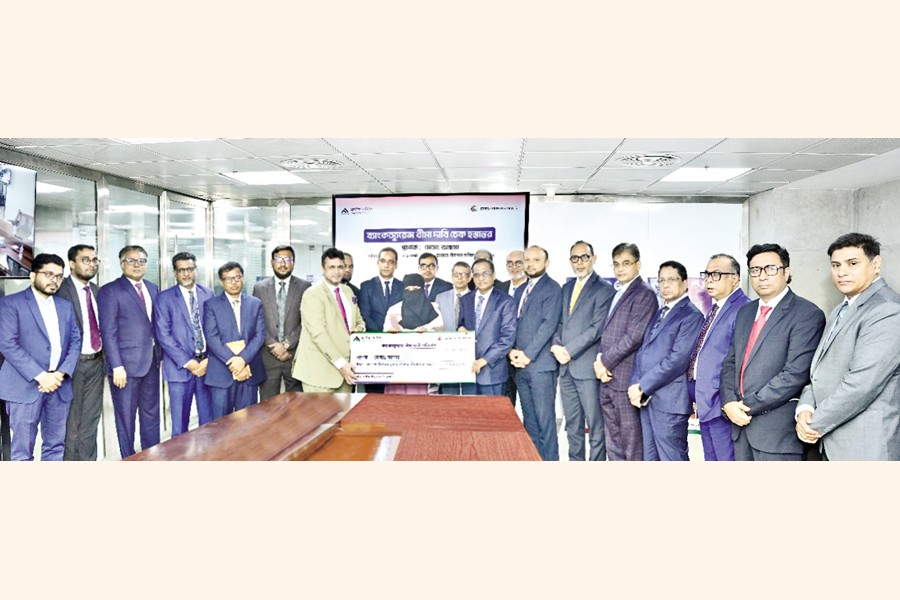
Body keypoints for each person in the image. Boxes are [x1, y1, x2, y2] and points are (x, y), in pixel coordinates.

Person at [795, 233, 900, 460]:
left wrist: (814, 422)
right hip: (832, 442)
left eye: (852, 263)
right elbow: (818, 372)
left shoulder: (888, 310)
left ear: (876, 264)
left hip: (865, 448)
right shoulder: (840, 309)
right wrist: (805, 409)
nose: (842, 272)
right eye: (836, 265)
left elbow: (862, 385)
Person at [720, 243, 825, 461]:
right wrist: (728, 402)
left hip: (777, 433)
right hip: (740, 429)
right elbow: (731, 362)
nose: (762, 276)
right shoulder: (745, 312)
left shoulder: (807, 314)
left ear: (786, 272)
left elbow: (795, 374)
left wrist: (745, 407)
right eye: (755, 270)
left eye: (771, 269)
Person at [0, 254, 81, 460]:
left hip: (58, 386)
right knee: (22, 451)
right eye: (49, 274)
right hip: (24, 387)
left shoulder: (65, 306)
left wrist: (60, 374)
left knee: (55, 446)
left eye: (59, 276)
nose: (54, 280)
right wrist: (41, 376)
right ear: (33, 275)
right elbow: (7, 344)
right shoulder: (11, 303)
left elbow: (75, 341)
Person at [627, 261, 704, 461]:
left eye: (671, 279)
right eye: (661, 280)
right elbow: (643, 351)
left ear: (685, 283)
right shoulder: (660, 312)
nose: (665, 285)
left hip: (670, 403)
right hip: (647, 400)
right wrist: (635, 385)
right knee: (650, 459)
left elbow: (677, 360)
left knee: (672, 460)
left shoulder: (691, 315)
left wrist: (643, 385)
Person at [593, 243, 658, 461]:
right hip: (607, 379)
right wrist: (599, 361)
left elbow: (634, 337)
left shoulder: (645, 294)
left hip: (625, 379)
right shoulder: (617, 292)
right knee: (613, 441)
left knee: (631, 443)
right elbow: (606, 332)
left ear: (638, 265)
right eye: (616, 264)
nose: (620, 269)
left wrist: (604, 362)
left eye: (626, 263)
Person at [551, 240, 615, 461]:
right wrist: (556, 346)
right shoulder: (566, 288)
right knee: (572, 426)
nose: (579, 262)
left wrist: (568, 350)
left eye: (584, 257)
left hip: (587, 369)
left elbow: (596, 328)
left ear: (593, 259)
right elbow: (560, 323)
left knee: (596, 426)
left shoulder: (604, 289)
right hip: (565, 370)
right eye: (575, 258)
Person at [98, 245, 161, 458]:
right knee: (126, 418)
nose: (137, 265)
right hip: (125, 367)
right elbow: (108, 331)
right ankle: (129, 458)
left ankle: (152, 455)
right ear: (121, 264)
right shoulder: (110, 291)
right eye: (131, 261)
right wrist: (117, 365)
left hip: (151, 362)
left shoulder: (152, 288)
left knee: (151, 415)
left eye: (141, 261)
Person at [687, 254, 750, 461]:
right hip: (706, 403)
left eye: (716, 274)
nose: (709, 280)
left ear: (735, 278)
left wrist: (726, 400)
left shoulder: (744, 309)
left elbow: (739, 361)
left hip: (723, 406)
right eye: (706, 275)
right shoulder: (715, 308)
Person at [509, 246, 562, 461]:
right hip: (520, 366)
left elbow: (548, 326)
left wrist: (527, 355)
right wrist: (512, 351)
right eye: (527, 260)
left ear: (546, 263)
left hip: (540, 366)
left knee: (544, 421)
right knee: (529, 420)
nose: (530, 264)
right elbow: (514, 324)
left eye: (536, 260)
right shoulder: (521, 289)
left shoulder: (553, 288)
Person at [153, 252, 214, 436]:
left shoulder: (208, 294)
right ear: (175, 273)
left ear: (196, 270)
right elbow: (163, 335)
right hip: (179, 369)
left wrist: (209, 360)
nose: (186, 274)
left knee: (209, 422)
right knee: (179, 426)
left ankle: (208, 453)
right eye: (181, 270)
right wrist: (188, 363)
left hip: (207, 367)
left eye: (189, 269)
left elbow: (215, 329)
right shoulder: (164, 298)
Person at [56, 244, 106, 461]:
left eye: (94, 260)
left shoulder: (97, 291)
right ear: (71, 263)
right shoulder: (60, 291)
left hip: (96, 363)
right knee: (71, 422)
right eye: (86, 260)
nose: (91, 264)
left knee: (91, 420)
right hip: (71, 366)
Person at [293, 248, 365, 393]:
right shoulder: (312, 294)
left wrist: (360, 328)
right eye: (332, 267)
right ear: (322, 269)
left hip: (345, 374)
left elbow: (359, 320)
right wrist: (342, 364)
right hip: (319, 375)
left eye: (340, 267)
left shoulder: (348, 291)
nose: (337, 272)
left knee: (345, 409)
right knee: (319, 410)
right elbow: (319, 334)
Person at [203, 262, 266, 418]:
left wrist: (243, 359)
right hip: (221, 373)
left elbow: (260, 334)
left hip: (248, 372)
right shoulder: (211, 305)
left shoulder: (255, 303)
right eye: (228, 279)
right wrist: (234, 362)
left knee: (247, 422)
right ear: (221, 282)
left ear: (242, 278)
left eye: (237, 277)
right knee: (221, 424)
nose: (234, 282)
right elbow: (211, 337)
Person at [252, 245, 311, 401]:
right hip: (268, 356)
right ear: (272, 262)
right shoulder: (259, 288)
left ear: (293, 263)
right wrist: (273, 345)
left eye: (287, 260)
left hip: (295, 355)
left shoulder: (305, 287)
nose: (283, 264)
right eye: (278, 259)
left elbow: (307, 321)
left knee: (296, 404)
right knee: (268, 404)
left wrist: (287, 344)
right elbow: (257, 321)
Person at [458, 258, 516, 396]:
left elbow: (507, 337)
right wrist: (460, 328)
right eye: (477, 275)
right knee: (468, 409)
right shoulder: (465, 300)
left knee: (492, 410)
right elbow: (461, 324)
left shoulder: (506, 301)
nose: (481, 278)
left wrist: (484, 360)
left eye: (485, 274)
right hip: (468, 371)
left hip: (492, 371)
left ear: (494, 275)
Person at [496, 249, 527, 407]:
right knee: (505, 406)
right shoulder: (498, 288)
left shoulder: (533, 288)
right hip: (502, 357)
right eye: (510, 263)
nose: (514, 267)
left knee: (529, 407)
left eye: (518, 263)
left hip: (526, 356)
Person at [436, 261, 472, 395]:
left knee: (469, 393)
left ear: (470, 277)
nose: (459, 277)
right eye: (456, 274)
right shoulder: (440, 297)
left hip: (469, 351)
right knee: (449, 393)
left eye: (463, 274)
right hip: (446, 351)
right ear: (451, 276)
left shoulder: (476, 297)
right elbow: (437, 324)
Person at [359, 247, 404, 333]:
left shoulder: (403, 287)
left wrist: (397, 329)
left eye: (391, 262)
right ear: (378, 263)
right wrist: (382, 333)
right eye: (383, 261)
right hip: (374, 335)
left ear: (396, 265)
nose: (386, 265)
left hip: (398, 335)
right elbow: (364, 315)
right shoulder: (366, 286)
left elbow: (406, 314)